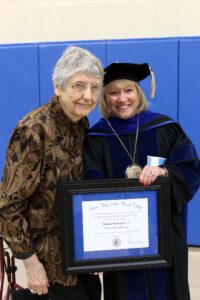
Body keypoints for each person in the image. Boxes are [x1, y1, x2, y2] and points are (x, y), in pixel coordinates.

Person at [83, 62, 200, 300]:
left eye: (129, 91)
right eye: (113, 93)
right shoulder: (96, 139)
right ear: (105, 99)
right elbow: (89, 191)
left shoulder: (165, 128)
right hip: (120, 241)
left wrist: (165, 173)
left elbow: (190, 169)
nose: (122, 98)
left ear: (138, 93)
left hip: (165, 235)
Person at [0, 45, 104, 300]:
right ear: (58, 87)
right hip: (50, 266)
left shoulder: (79, 125)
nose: (88, 95)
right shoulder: (34, 131)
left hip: (79, 259)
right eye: (78, 85)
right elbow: (8, 206)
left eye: (94, 88)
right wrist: (30, 262)